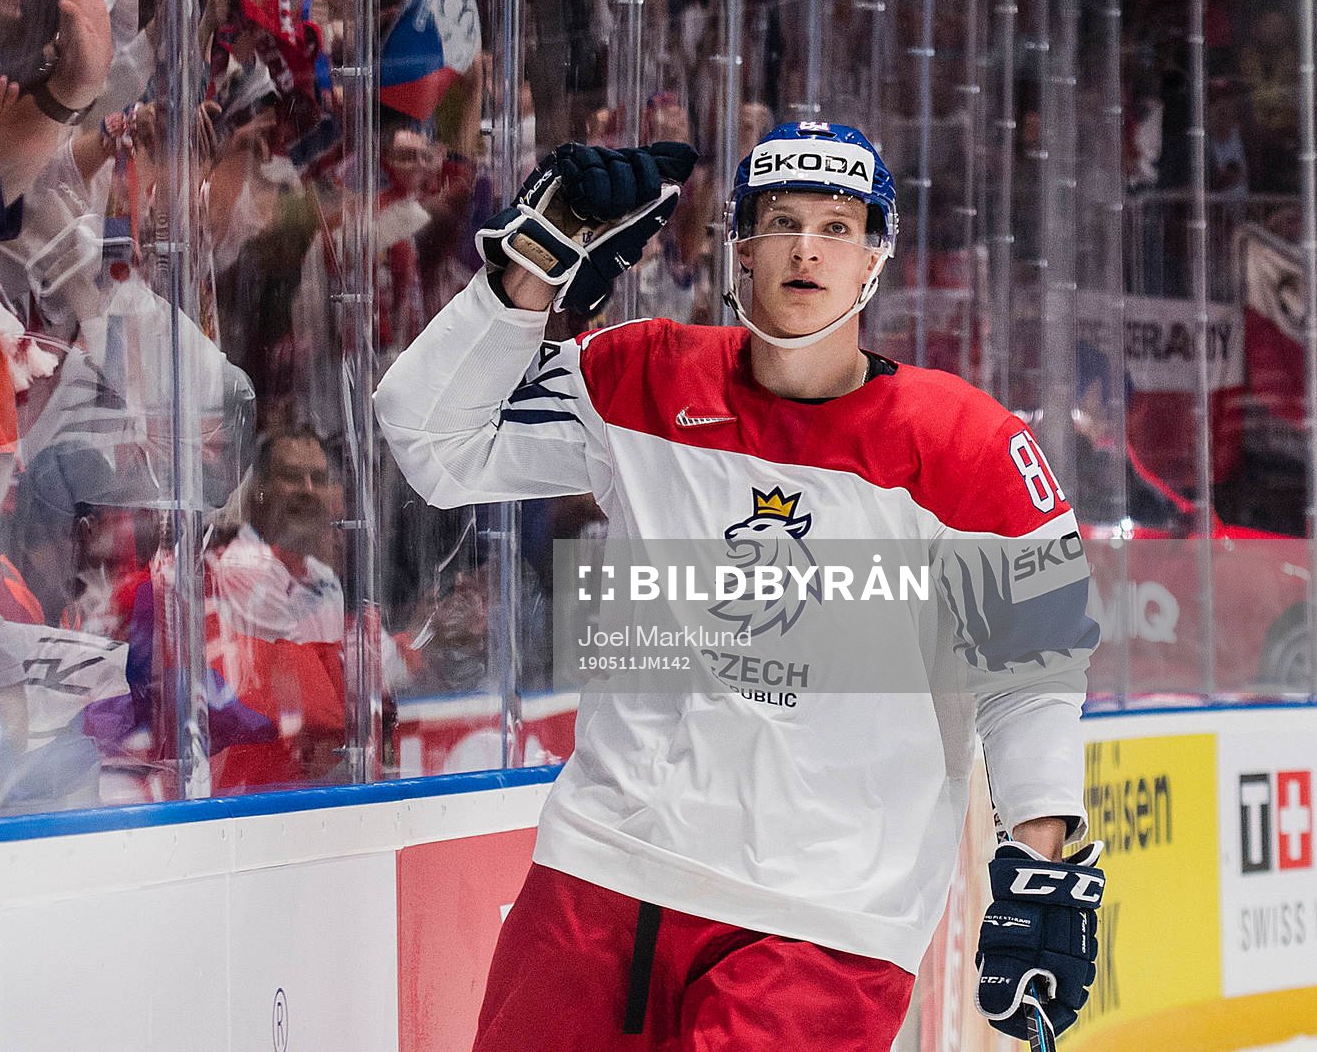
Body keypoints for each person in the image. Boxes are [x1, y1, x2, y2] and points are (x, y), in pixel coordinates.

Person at [375, 124, 1106, 1050]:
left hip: (826, 922)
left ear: (875, 253)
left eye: (839, 227)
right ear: (742, 246)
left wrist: (1038, 854)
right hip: (602, 872)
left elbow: (1033, 672)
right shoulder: (642, 376)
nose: (808, 248)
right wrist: (534, 263)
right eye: (784, 221)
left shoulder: (970, 445)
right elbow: (431, 439)